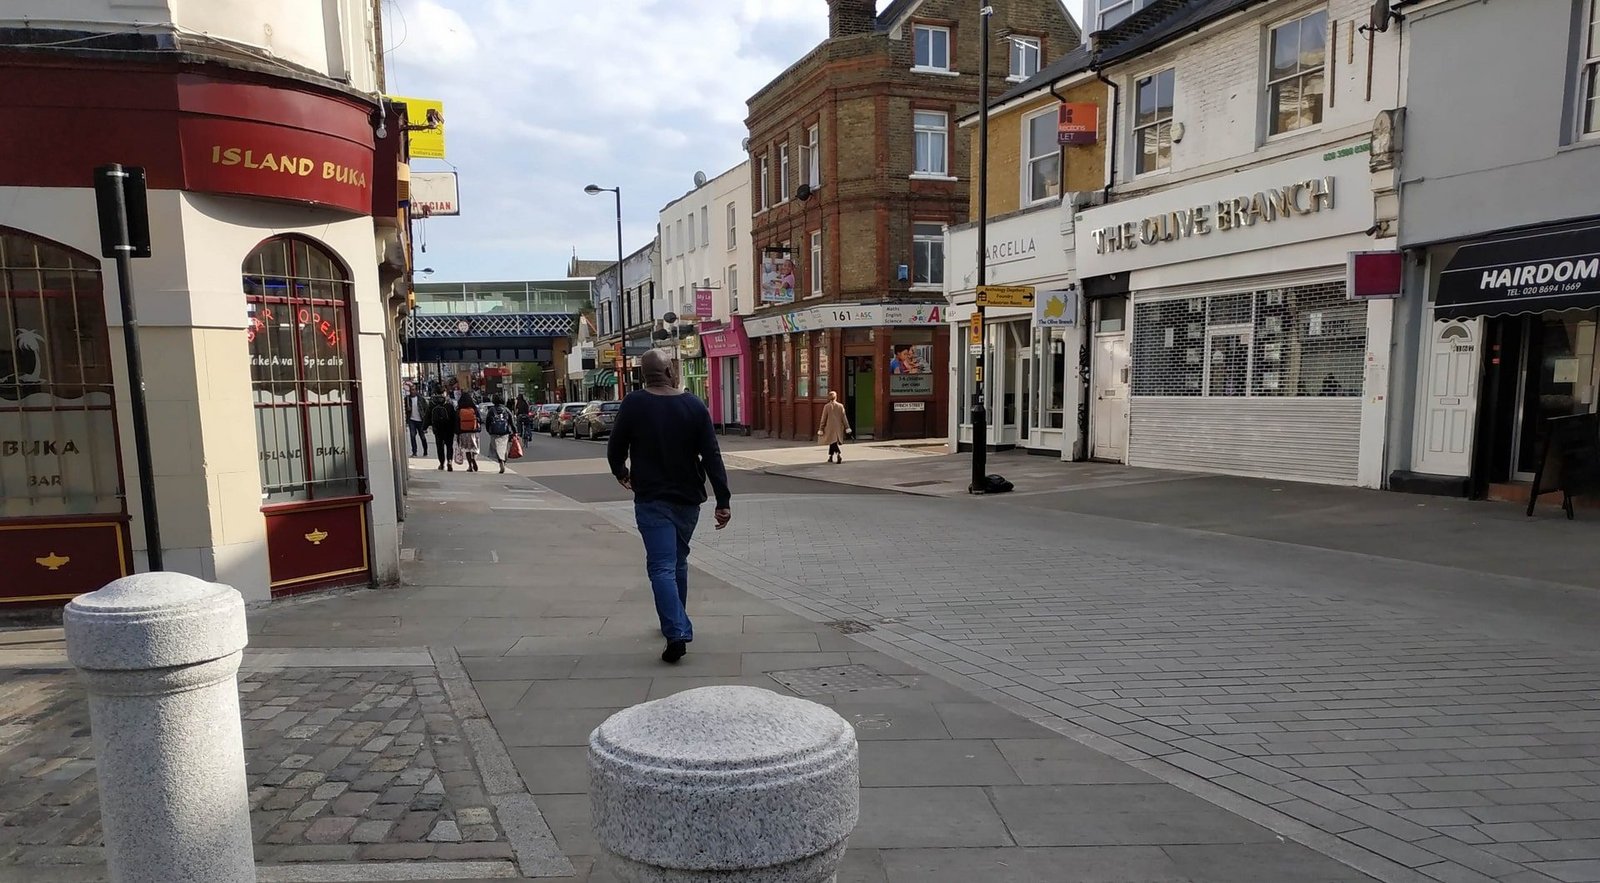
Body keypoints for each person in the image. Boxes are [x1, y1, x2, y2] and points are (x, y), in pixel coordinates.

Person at [607, 348, 732, 663]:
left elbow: (615, 447)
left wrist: (622, 473)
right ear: (669, 372)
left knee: (661, 565)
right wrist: (723, 500)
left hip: (651, 499)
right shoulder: (693, 406)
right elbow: (712, 456)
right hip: (688, 500)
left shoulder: (634, 404)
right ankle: (676, 620)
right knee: (677, 562)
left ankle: (676, 629)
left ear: (644, 375)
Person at [483, 394, 515, 474]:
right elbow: (511, 421)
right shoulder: (506, 410)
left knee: (497, 448)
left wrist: (488, 430)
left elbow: (487, 422)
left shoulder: (491, 410)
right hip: (505, 432)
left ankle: (500, 462)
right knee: (504, 447)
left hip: (494, 432)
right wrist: (514, 431)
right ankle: (504, 460)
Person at [817, 390, 851, 464]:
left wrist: (821, 428)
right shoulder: (840, 406)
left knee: (832, 442)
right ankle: (830, 457)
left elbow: (823, 418)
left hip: (829, 428)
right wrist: (847, 427)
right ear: (836, 397)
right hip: (838, 427)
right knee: (833, 442)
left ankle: (838, 454)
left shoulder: (827, 406)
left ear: (829, 398)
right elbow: (844, 417)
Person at [427, 392, 456, 471]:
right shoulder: (449, 406)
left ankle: (441, 463)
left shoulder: (432, 406)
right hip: (449, 430)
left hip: (438, 430)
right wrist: (456, 429)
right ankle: (449, 461)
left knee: (440, 447)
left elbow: (427, 417)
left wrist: (424, 427)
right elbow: (454, 418)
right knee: (449, 446)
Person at [456, 391, 482, 472]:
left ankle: (470, 465)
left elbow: (456, 422)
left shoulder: (459, 410)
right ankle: (473, 458)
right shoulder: (474, 409)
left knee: (467, 450)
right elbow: (479, 420)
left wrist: (457, 432)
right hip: (473, 431)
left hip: (464, 432)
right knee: (474, 448)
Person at [404, 383, 429, 458]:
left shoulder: (421, 399)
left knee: (422, 436)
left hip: (420, 420)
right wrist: (407, 410)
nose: (412, 391)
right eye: (411, 390)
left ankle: (425, 451)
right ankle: (414, 452)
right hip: (412, 420)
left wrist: (426, 419)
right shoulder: (407, 399)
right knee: (412, 436)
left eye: (414, 390)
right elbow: (404, 409)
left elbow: (426, 408)